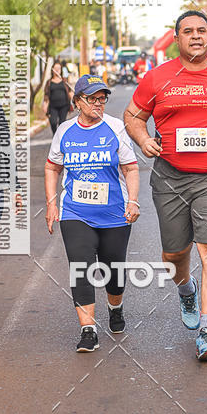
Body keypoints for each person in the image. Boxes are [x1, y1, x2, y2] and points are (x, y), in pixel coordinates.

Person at [124, 10, 207, 362]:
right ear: (176, 38)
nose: (195, 36)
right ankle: (186, 288)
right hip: (171, 176)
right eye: (188, 31)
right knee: (174, 254)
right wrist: (142, 139)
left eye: (201, 30)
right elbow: (133, 116)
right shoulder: (157, 77)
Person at [44, 75, 140, 352]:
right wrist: (52, 203)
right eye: (92, 99)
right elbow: (52, 167)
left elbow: (130, 168)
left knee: (114, 270)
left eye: (102, 99)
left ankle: (115, 308)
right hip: (75, 212)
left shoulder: (115, 128)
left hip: (114, 214)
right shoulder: (65, 131)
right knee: (80, 268)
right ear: (77, 102)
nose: (98, 104)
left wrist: (133, 202)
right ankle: (88, 330)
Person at [42, 61, 73, 134]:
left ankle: (60, 137)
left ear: (61, 70)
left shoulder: (65, 81)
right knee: (53, 122)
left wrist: (74, 99)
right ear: (52, 70)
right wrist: (45, 104)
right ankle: (55, 135)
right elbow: (46, 95)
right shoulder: (49, 82)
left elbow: (70, 92)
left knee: (62, 123)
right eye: (55, 68)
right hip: (53, 106)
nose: (57, 70)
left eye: (58, 68)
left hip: (64, 106)